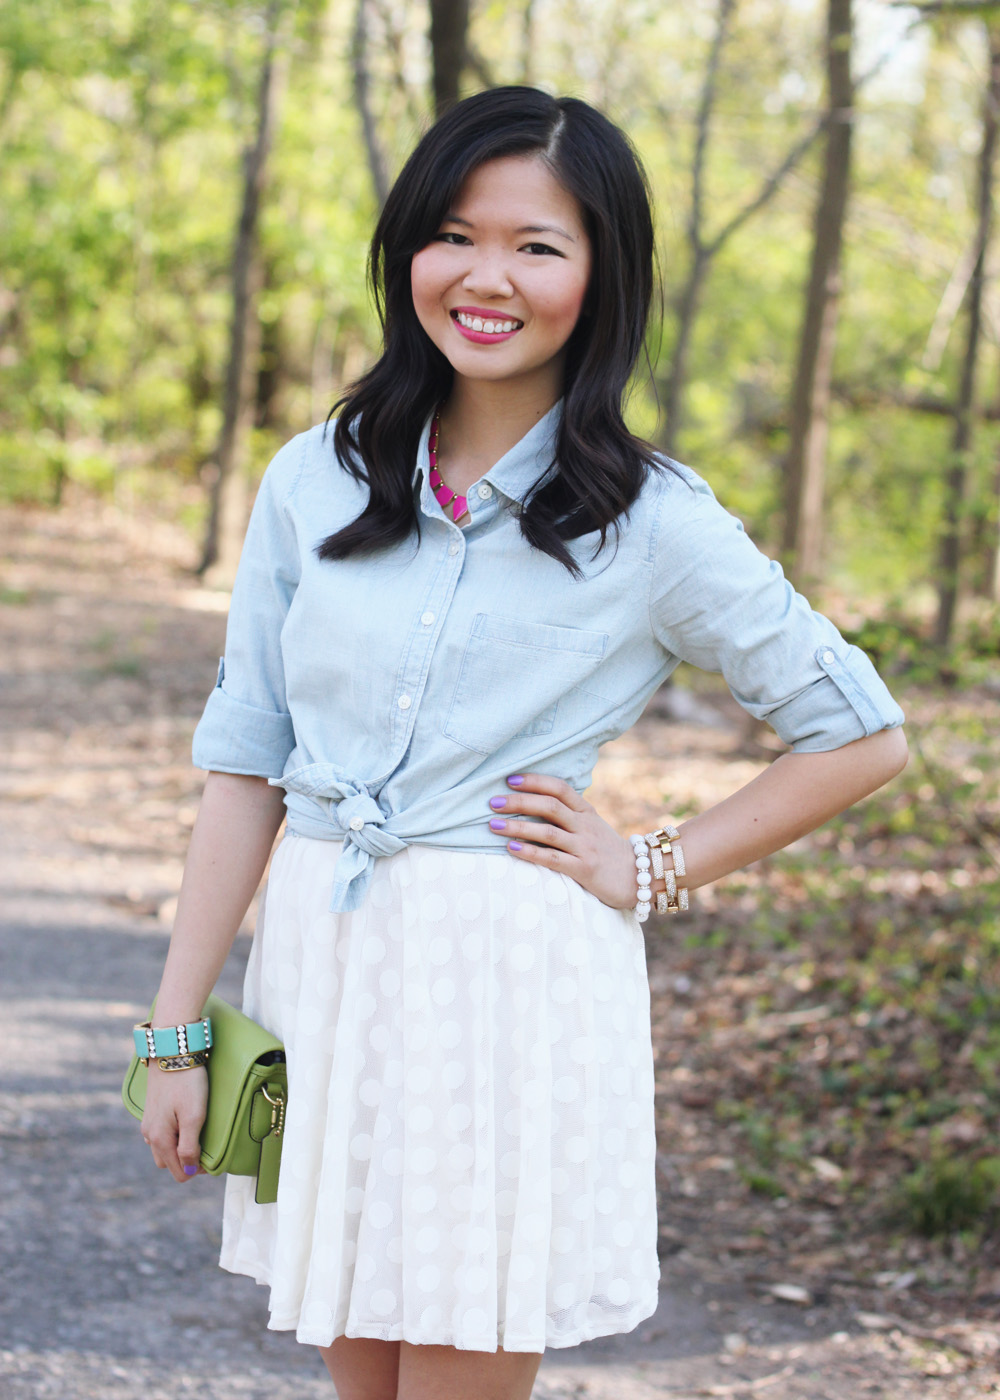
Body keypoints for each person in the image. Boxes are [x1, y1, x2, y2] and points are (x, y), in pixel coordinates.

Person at [138, 86, 908, 1400]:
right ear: (408, 255)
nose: (487, 277)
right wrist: (176, 1035)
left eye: (538, 245)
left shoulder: (652, 519)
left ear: (599, 275)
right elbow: (246, 762)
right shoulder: (312, 477)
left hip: (504, 979)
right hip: (324, 957)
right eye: (454, 234)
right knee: (362, 1360)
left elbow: (860, 735)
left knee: (453, 1354)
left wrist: (652, 864)